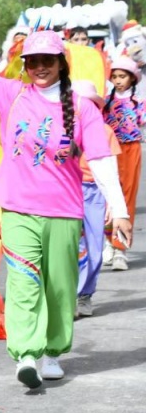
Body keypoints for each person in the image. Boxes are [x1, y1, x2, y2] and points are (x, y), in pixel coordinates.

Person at [0, 0, 131, 389]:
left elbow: (99, 158)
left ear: (61, 64)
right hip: (18, 210)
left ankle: (50, 352)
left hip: (64, 212)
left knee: (60, 287)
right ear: (25, 65)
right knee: (24, 282)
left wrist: (120, 209)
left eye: (48, 61)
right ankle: (27, 354)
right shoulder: (11, 95)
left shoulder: (81, 106)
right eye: (33, 62)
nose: (40, 68)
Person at [72, 81, 120, 318]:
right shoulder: (63, 132)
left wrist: (113, 202)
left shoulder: (106, 132)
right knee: (71, 246)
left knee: (95, 249)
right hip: (70, 190)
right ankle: (69, 295)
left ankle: (85, 294)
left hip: (96, 193)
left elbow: (112, 170)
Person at [102, 56, 146, 271]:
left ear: (132, 79)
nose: (118, 80)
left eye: (123, 76)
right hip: (109, 149)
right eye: (115, 76)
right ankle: (108, 241)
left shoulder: (139, 101)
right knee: (106, 196)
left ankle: (121, 248)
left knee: (126, 196)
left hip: (131, 149)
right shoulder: (105, 102)